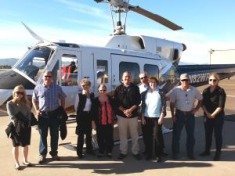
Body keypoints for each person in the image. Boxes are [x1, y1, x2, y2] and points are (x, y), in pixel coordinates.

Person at [32, 71, 66, 164]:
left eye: (49, 76)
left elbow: (63, 97)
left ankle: (54, 153)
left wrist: (61, 109)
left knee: (54, 135)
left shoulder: (57, 88)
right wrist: (36, 110)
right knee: (43, 135)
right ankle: (42, 155)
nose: (47, 78)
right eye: (46, 76)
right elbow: (34, 99)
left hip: (55, 115)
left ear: (52, 78)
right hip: (43, 115)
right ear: (43, 77)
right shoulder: (38, 88)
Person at [170, 73, 202, 160]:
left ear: (189, 80)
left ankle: (190, 153)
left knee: (191, 136)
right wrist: (173, 115)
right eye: (183, 80)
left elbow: (200, 99)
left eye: (186, 80)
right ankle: (175, 153)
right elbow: (172, 104)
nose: (185, 82)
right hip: (179, 114)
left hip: (190, 115)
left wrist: (196, 109)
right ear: (180, 81)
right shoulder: (175, 90)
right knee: (176, 136)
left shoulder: (194, 90)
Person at [114, 71, 142, 160]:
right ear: (122, 78)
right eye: (125, 77)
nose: (127, 78)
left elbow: (138, 101)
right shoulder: (118, 89)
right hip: (121, 116)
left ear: (131, 78)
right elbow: (116, 102)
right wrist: (124, 111)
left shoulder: (135, 88)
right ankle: (123, 152)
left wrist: (130, 110)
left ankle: (135, 151)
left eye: (129, 76)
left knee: (134, 135)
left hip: (133, 116)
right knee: (123, 135)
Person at [200, 73, 226, 161]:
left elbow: (220, 106)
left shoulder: (220, 91)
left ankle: (217, 153)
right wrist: (207, 113)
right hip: (207, 116)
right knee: (208, 134)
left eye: (214, 80)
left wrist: (213, 115)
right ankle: (207, 151)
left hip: (218, 116)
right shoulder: (205, 91)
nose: (212, 82)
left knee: (217, 135)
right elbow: (202, 104)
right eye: (210, 80)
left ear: (218, 81)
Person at [6, 85, 33, 170]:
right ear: (14, 93)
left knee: (25, 145)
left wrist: (28, 121)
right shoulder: (10, 103)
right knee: (16, 145)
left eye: (22, 93)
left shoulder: (26, 102)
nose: (20, 94)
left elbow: (29, 113)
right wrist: (17, 102)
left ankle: (25, 160)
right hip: (15, 126)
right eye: (18, 92)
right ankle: (17, 163)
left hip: (26, 126)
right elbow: (13, 116)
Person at [141, 77, 166, 162]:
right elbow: (143, 106)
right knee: (147, 137)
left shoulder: (161, 92)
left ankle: (158, 154)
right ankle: (149, 153)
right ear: (148, 83)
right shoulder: (144, 93)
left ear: (157, 83)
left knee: (156, 137)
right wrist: (142, 117)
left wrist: (162, 116)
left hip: (156, 118)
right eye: (151, 83)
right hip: (147, 118)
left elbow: (163, 105)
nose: (153, 84)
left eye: (154, 82)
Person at [91, 84, 115, 158]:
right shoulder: (95, 100)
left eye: (104, 90)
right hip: (100, 122)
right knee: (100, 138)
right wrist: (93, 123)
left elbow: (114, 110)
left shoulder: (110, 99)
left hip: (109, 122)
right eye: (101, 90)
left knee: (109, 138)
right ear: (98, 91)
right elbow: (92, 113)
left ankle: (109, 151)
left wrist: (115, 120)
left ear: (106, 90)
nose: (102, 91)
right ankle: (101, 151)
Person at [74, 79, 94, 158]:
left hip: (89, 115)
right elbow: (76, 107)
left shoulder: (92, 95)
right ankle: (79, 152)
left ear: (89, 86)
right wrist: (79, 115)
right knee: (81, 135)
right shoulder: (79, 95)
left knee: (89, 134)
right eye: (83, 86)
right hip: (81, 116)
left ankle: (89, 150)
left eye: (86, 85)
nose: (85, 87)